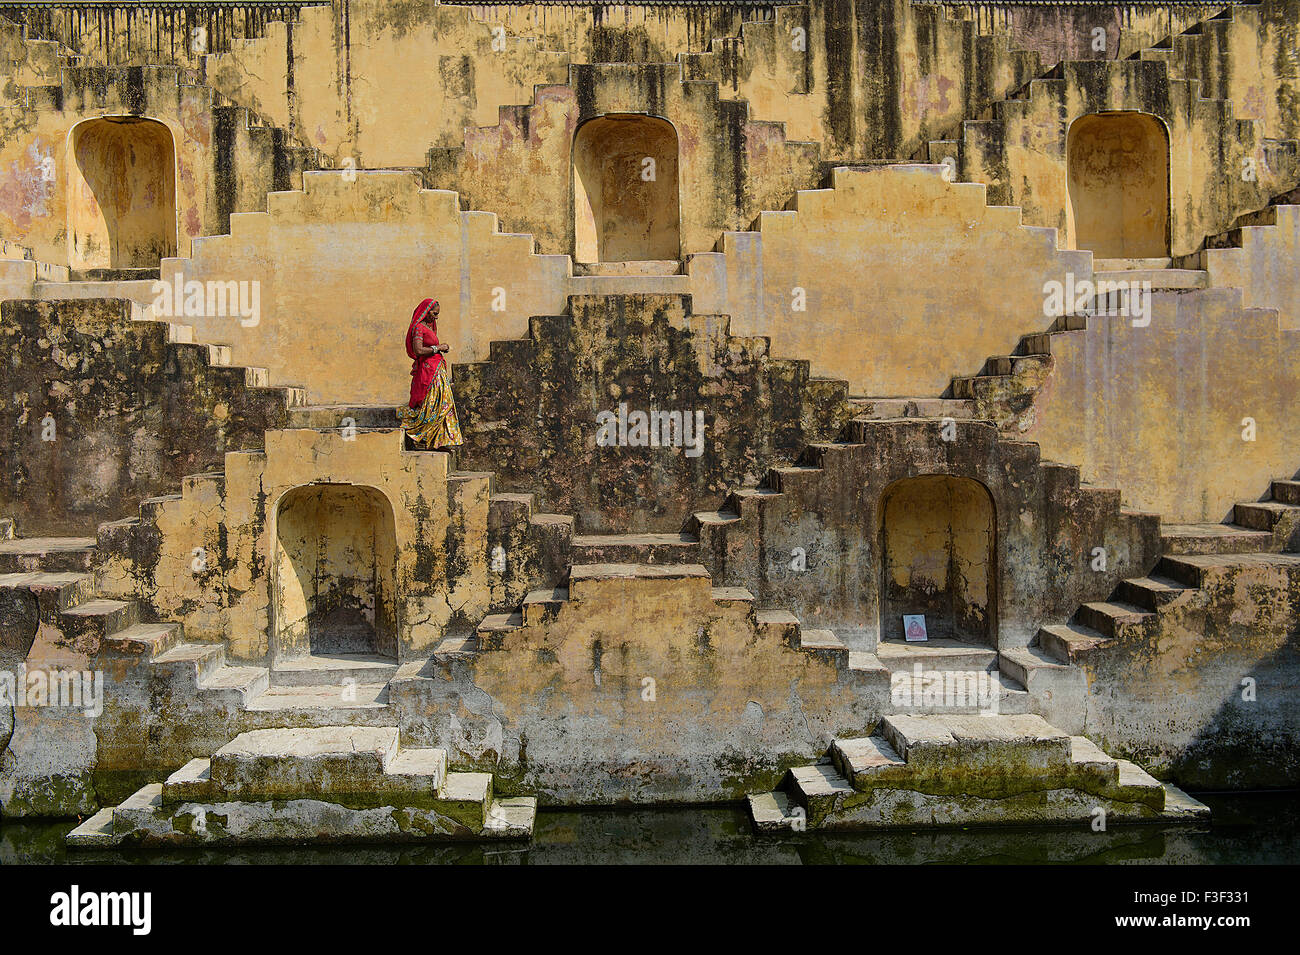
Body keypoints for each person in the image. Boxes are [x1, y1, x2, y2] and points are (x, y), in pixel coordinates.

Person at [397, 298, 464, 452]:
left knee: (442, 404)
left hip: (436, 369)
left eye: (437, 314)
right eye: (434, 313)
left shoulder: (429, 327)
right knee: (432, 405)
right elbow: (419, 350)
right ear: (426, 311)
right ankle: (420, 437)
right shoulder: (419, 328)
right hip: (428, 372)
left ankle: (438, 441)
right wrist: (438, 347)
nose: (436, 317)